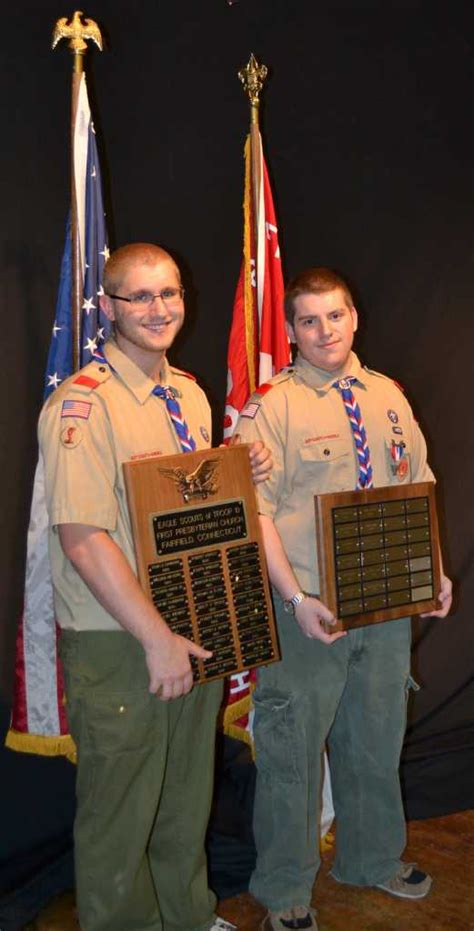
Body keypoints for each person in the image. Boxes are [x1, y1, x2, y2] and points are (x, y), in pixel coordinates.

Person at [38, 242, 272, 931]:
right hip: (122, 638)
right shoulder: (83, 407)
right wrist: (156, 637)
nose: (157, 309)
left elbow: (177, 507)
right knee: (120, 812)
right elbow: (84, 538)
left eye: (168, 293)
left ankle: (188, 913)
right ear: (107, 305)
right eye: (138, 296)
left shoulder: (188, 394)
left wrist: (236, 466)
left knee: (183, 793)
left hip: (188, 619)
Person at [235, 267, 452, 931]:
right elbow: (256, 513)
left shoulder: (386, 394)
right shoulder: (273, 408)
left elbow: (417, 482)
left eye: (335, 315)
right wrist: (296, 597)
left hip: (383, 602)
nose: (324, 330)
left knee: (375, 739)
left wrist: (433, 570)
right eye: (309, 320)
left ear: (354, 316)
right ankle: (284, 891)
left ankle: (370, 858)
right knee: (292, 755)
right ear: (293, 330)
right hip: (308, 610)